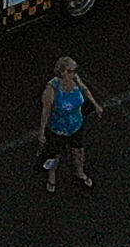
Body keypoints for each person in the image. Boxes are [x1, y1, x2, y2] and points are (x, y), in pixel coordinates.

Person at [34, 56, 97, 191]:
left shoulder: (75, 79)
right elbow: (46, 112)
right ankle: (52, 177)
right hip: (58, 128)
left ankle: (80, 172)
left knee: (79, 150)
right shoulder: (51, 89)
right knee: (55, 154)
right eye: (71, 71)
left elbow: (84, 89)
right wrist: (41, 132)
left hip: (76, 124)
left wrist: (95, 104)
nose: (74, 73)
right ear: (63, 72)